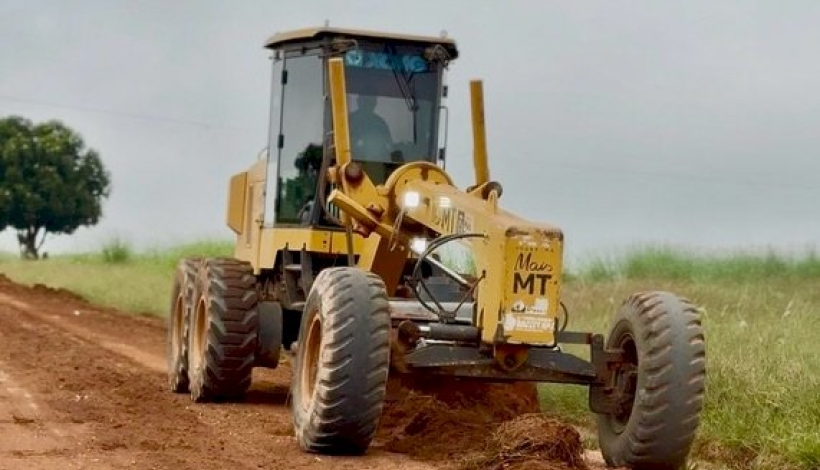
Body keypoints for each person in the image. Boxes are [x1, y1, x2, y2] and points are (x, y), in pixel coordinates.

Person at [348, 94, 393, 161]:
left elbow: (389, 146)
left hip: (379, 164)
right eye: (365, 101)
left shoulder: (380, 123)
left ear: (375, 103)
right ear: (359, 102)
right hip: (352, 166)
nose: (367, 105)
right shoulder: (348, 120)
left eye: (370, 102)